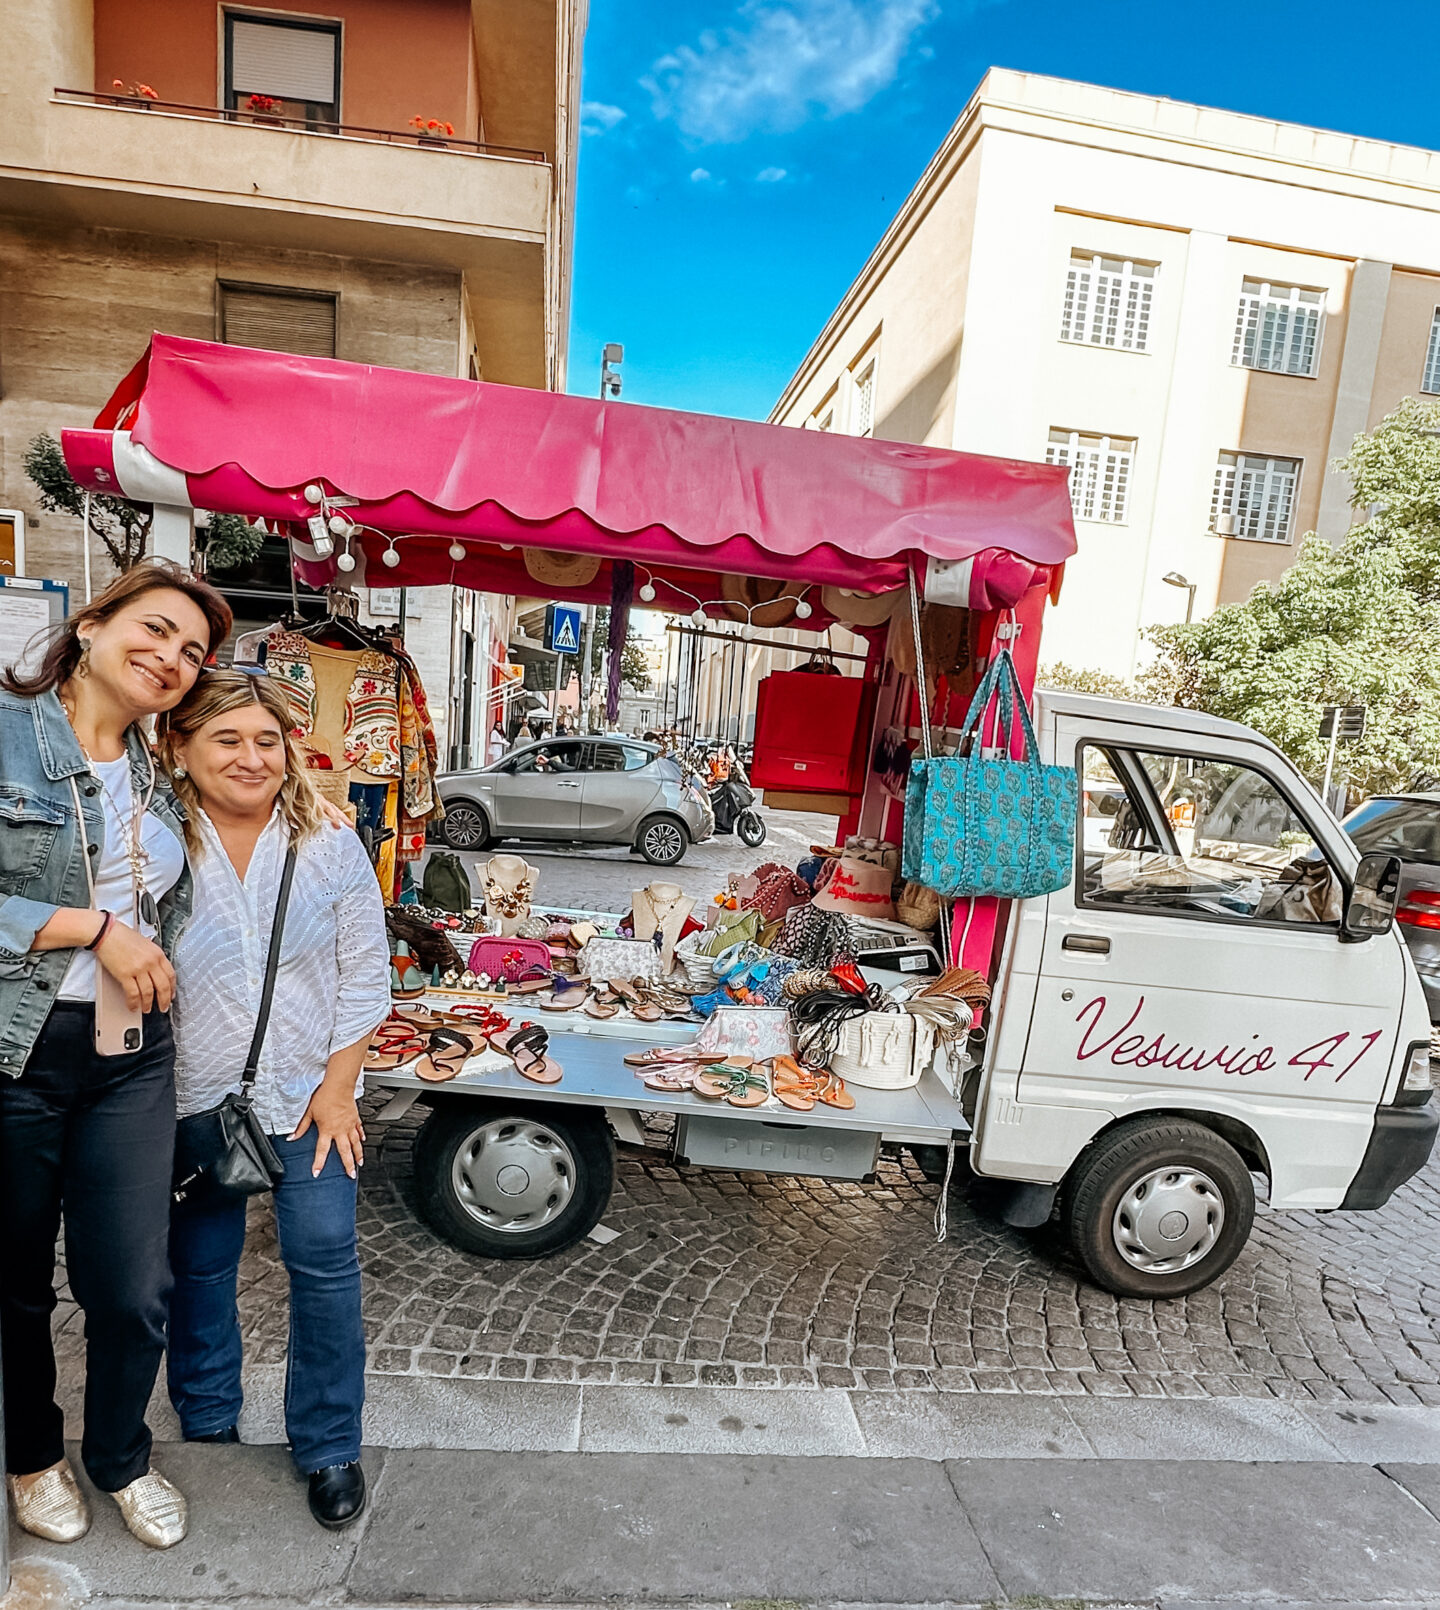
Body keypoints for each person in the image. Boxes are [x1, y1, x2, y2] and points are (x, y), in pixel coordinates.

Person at [0, 560, 232, 1551]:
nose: (172, 658)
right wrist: (92, 926)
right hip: (17, 1049)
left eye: (191, 652)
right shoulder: (7, 734)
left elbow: (251, 797)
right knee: (14, 1279)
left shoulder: (154, 766)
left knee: (134, 1282)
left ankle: (121, 1454)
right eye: (158, 629)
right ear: (92, 623)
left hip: (132, 1051)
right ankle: (31, 1456)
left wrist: (319, 812)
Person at [161, 671, 390, 1530]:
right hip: (192, 1096)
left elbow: (365, 973)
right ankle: (208, 1421)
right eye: (227, 739)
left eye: (267, 740)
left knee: (325, 1264)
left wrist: (339, 1090)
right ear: (180, 747)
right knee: (201, 1266)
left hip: (307, 1097)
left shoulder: (328, 842)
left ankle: (329, 1444)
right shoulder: (156, 839)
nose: (251, 758)